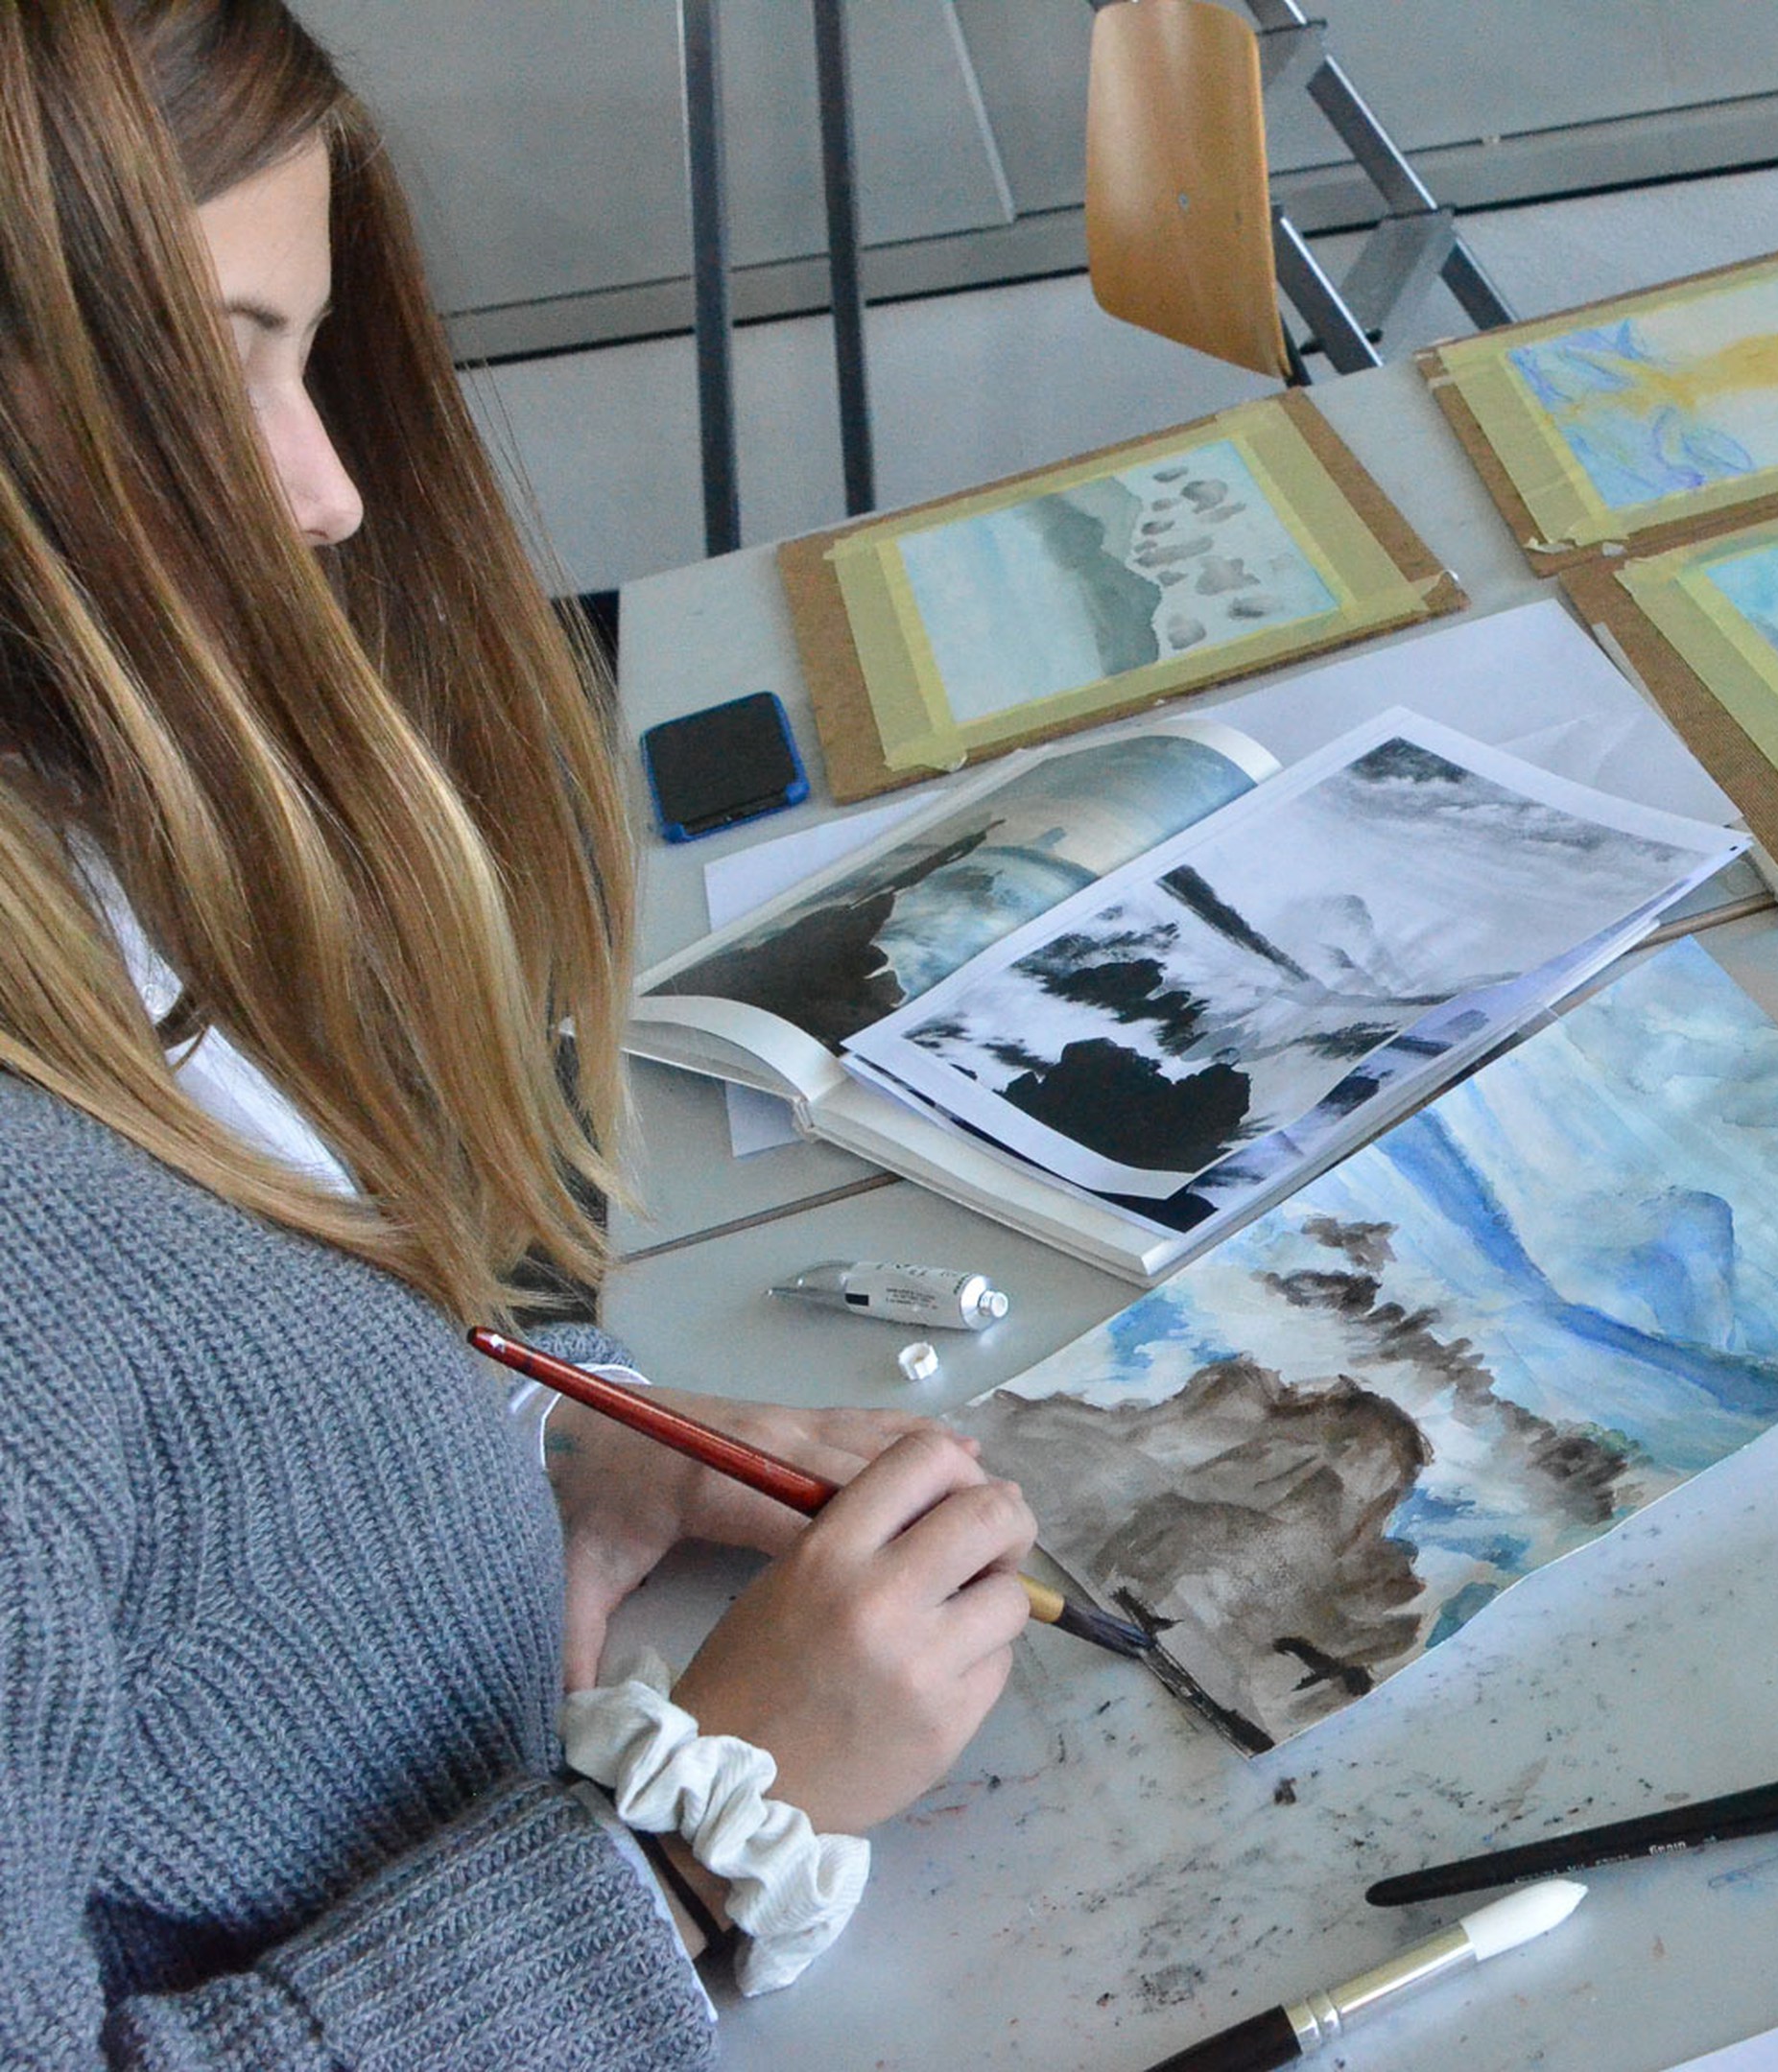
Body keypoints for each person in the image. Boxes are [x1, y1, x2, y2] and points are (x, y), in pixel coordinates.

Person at [0, 4, 1037, 2062]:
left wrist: (535, 1446)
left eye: (306, 355)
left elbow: (197, 1398)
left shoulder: (67, 825)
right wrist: (693, 1847)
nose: (327, 493)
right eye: (213, 375)